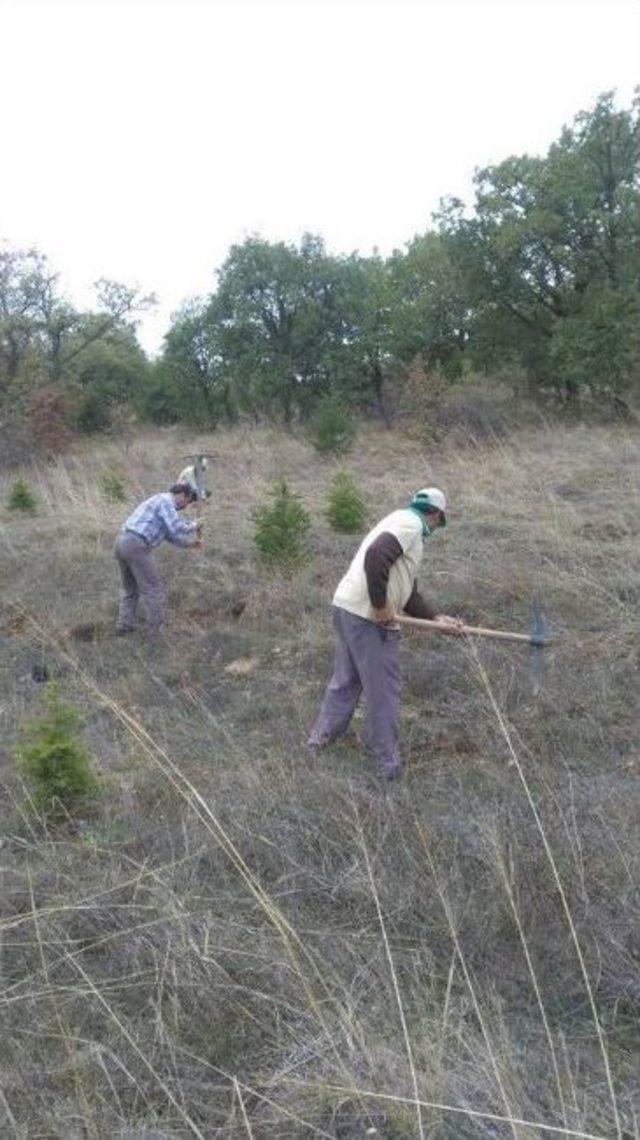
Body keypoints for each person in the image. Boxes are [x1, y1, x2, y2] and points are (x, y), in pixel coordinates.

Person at [307, 487, 463, 780]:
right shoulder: (412, 525)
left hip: (346, 607)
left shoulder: (397, 520)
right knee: (383, 692)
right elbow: (377, 556)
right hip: (368, 618)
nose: (435, 529)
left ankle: (319, 744)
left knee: (346, 682)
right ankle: (387, 767)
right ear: (435, 515)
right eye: (438, 523)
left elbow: (407, 591)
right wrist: (380, 607)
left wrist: (436, 618)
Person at [114, 483, 202, 638]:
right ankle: (156, 633)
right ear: (182, 495)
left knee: (131, 589)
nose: (186, 506)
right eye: (188, 501)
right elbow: (175, 527)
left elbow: (172, 536)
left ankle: (124, 627)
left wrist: (192, 544)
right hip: (135, 544)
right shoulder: (165, 501)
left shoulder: (162, 505)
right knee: (153, 589)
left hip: (122, 542)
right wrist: (195, 525)